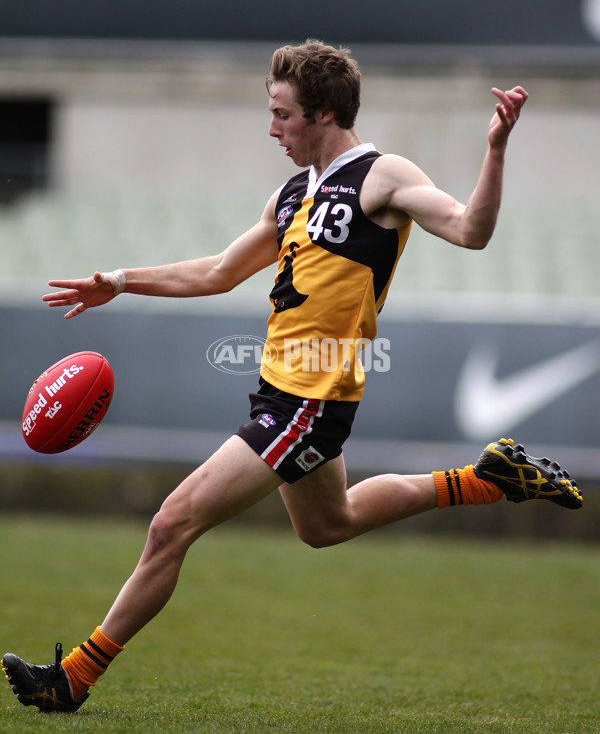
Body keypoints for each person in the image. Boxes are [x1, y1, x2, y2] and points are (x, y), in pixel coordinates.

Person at [2, 39, 583, 713]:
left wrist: (496, 149)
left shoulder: (382, 174)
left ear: (326, 113)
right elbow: (220, 270)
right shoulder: (290, 194)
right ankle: (486, 479)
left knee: (171, 523)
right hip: (281, 393)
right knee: (326, 523)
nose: (272, 128)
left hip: (309, 399)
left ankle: (74, 675)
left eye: (283, 115)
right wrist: (121, 281)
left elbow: (471, 230)